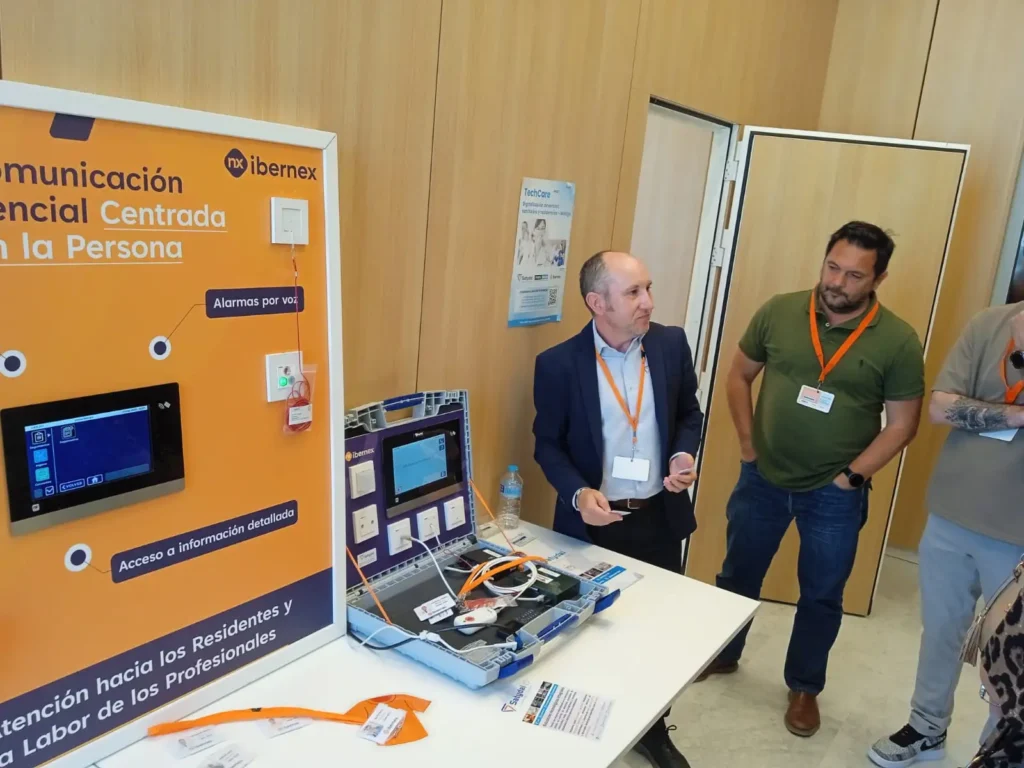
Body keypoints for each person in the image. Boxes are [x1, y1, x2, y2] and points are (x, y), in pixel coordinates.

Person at [698, 221, 925, 738]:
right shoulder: (780, 311)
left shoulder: (897, 341)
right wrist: (748, 444)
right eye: (832, 267)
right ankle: (724, 653)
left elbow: (903, 425)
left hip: (833, 494)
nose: (837, 283)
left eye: (854, 275)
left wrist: (851, 477)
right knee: (738, 574)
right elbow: (738, 375)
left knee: (821, 594)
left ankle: (804, 687)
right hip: (763, 478)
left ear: (879, 279)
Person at [533, 250, 704, 768]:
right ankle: (583, 733)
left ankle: (653, 730)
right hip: (592, 526)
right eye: (633, 293)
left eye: (647, 288)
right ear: (597, 302)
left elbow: (689, 414)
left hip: (657, 518)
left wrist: (682, 454)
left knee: (655, 633)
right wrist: (576, 493)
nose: (648, 301)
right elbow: (548, 445)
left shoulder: (670, 345)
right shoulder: (559, 364)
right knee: (585, 638)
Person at [868, 302, 1024, 767]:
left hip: (1017, 536)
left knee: (1009, 655)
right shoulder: (991, 323)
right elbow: (940, 407)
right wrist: (1016, 415)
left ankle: (999, 750)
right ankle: (926, 727)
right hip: (951, 515)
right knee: (940, 632)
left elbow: (961, 405)